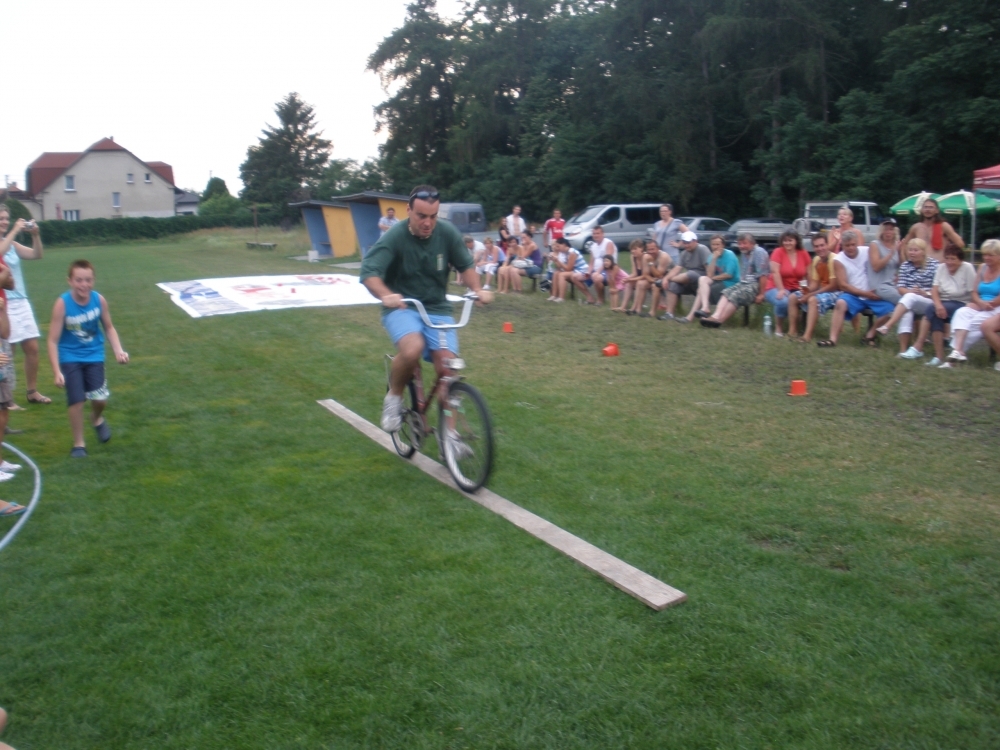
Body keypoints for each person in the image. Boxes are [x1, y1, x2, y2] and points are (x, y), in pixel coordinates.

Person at [360, 185, 492, 433]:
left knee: (448, 370)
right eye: (421, 216)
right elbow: (369, 273)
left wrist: (477, 289)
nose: (428, 222)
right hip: (402, 306)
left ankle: (450, 438)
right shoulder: (395, 236)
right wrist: (386, 295)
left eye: (433, 216)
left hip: (437, 307)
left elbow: (466, 265)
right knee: (412, 349)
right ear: (408, 210)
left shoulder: (447, 233)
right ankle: (394, 396)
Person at [46, 260, 129, 457]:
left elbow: (109, 327)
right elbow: (52, 340)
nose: (84, 285)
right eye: (79, 280)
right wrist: (57, 371)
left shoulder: (99, 300)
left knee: (100, 399)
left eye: (88, 280)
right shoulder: (62, 304)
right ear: (70, 281)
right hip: (69, 356)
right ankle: (79, 444)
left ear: (94, 280)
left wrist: (119, 350)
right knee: (76, 400)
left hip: (94, 355)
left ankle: (96, 418)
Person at [0, 205, 51, 406]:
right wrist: (15, 230)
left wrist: (35, 235)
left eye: (6, 218)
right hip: (4, 303)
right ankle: (6, 399)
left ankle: (32, 392)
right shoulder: (7, 242)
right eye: (1, 218)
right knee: (7, 352)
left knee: (32, 348)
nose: (4, 221)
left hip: (21, 301)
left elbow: (37, 254)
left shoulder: (12, 244)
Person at [816, 231, 894, 347]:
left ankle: (870, 335)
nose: (851, 248)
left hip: (874, 293)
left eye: (853, 244)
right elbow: (843, 285)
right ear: (842, 245)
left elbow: (881, 265)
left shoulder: (867, 251)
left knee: (891, 310)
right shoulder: (838, 260)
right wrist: (865, 293)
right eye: (847, 245)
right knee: (840, 303)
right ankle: (832, 340)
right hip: (853, 295)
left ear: (857, 243)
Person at [875, 238, 939, 357]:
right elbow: (900, 288)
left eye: (915, 250)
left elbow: (939, 288)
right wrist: (910, 291)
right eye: (910, 250)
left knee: (909, 297)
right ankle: (903, 351)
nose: (912, 253)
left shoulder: (934, 265)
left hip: (929, 301)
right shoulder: (905, 266)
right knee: (907, 312)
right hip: (910, 300)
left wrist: (925, 293)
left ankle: (888, 325)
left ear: (923, 252)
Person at [944, 239, 1000, 366]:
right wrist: (980, 303)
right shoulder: (982, 267)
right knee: (962, 312)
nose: (986, 258)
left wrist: (988, 304)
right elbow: (974, 292)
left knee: (973, 324)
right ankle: (958, 351)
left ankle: (954, 357)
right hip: (982, 304)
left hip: (996, 306)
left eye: (990, 255)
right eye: (984, 254)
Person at [922, 244, 977, 367]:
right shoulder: (941, 268)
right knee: (935, 313)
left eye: (953, 259)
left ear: (960, 260)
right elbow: (934, 290)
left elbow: (973, 291)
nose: (949, 262)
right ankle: (938, 356)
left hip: (961, 302)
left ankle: (923, 348)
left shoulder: (967, 268)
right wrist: (938, 305)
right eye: (947, 258)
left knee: (931, 309)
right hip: (943, 302)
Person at [699, 233, 770, 328]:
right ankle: (715, 316)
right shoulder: (745, 253)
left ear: (752, 243)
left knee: (735, 295)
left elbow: (763, 275)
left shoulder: (759, 252)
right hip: (744, 283)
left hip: (756, 285)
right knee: (726, 292)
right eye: (739, 244)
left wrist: (761, 294)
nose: (742, 246)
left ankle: (719, 321)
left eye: (744, 243)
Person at [762, 230, 810, 337]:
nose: (787, 243)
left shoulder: (803, 253)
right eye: (785, 240)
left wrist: (805, 289)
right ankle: (779, 326)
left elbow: (806, 275)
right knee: (783, 301)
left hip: (796, 287)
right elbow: (775, 272)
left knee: (806, 300)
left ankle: (798, 328)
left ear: (796, 241)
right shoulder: (778, 252)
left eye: (790, 240)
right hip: (775, 286)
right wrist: (781, 289)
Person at [797, 232, 840, 343]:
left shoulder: (834, 259)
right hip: (823, 289)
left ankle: (807, 336)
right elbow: (815, 284)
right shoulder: (816, 260)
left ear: (827, 245)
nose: (820, 249)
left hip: (837, 292)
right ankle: (792, 330)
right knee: (794, 296)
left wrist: (811, 294)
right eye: (816, 246)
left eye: (822, 245)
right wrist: (806, 290)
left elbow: (833, 286)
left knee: (813, 300)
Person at [684, 234, 739, 322]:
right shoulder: (711, 256)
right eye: (713, 244)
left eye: (718, 244)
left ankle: (693, 316)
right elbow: (709, 275)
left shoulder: (730, 255)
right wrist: (714, 259)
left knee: (701, 290)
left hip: (730, 283)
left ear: (723, 245)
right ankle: (704, 308)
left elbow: (728, 275)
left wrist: (713, 278)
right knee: (702, 279)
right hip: (718, 282)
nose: (715, 247)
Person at [660, 231, 711, 321]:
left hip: (702, 280)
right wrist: (666, 278)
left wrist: (668, 278)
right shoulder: (684, 253)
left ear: (695, 241)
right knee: (673, 285)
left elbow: (709, 269)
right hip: (690, 281)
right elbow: (677, 268)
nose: (686, 245)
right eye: (684, 243)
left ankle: (668, 280)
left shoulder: (702, 249)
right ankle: (669, 313)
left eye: (688, 243)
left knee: (690, 274)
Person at [900, 197, 964, 262]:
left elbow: (960, 244)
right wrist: (909, 261)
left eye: (931, 207)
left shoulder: (944, 226)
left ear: (937, 210)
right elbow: (905, 244)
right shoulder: (916, 227)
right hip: (921, 265)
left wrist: (949, 258)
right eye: (925, 207)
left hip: (939, 265)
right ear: (922, 210)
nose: (928, 209)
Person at [628, 239, 672, 316]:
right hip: (656, 279)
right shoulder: (646, 257)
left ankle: (652, 312)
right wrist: (652, 280)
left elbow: (659, 275)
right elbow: (646, 274)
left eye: (653, 249)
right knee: (640, 283)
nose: (650, 252)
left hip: (669, 278)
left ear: (658, 248)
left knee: (655, 286)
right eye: (649, 250)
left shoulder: (663, 256)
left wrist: (651, 264)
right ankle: (638, 309)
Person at [868, 219, 903, 305]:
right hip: (880, 286)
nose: (888, 232)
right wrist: (891, 253)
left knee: (910, 295)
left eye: (891, 229)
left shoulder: (897, 245)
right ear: (881, 231)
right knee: (904, 300)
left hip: (893, 285)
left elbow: (902, 266)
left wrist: (901, 251)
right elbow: (876, 267)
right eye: (886, 229)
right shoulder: (874, 244)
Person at [550, 237, 591, 303]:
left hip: (582, 270)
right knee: (556, 273)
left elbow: (568, 268)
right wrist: (555, 260)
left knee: (561, 275)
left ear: (564, 244)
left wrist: (558, 260)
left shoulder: (572, 252)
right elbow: (561, 267)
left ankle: (561, 297)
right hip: (575, 270)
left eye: (558, 246)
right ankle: (554, 295)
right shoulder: (564, 253)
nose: (557, 248)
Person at [613, 239, 647, 312]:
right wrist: (626, 278)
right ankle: (623, 307)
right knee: (628, 283)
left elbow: (644, 276)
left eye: (635, 249)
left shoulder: (645, 257)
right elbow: (635, 273)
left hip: (648, 279)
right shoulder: (633, 257)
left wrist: (630, 279)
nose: (633, 251)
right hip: (640, 278)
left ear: (641, 248)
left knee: (638, 283)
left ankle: (633, 308)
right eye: (632, 249)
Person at [587, 226, 618, 305]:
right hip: (596, 270)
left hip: (608, 269)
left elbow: (607, 261)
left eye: (598, 233)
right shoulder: (593, 246)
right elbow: (591, 263)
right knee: (576, 276)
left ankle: (600, 299)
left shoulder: (608, 243)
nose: (596, 235)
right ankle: (589, 297)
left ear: (603, 234)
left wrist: (597, 272)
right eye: (594, 233)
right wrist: (588, 272)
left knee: (596, 278)